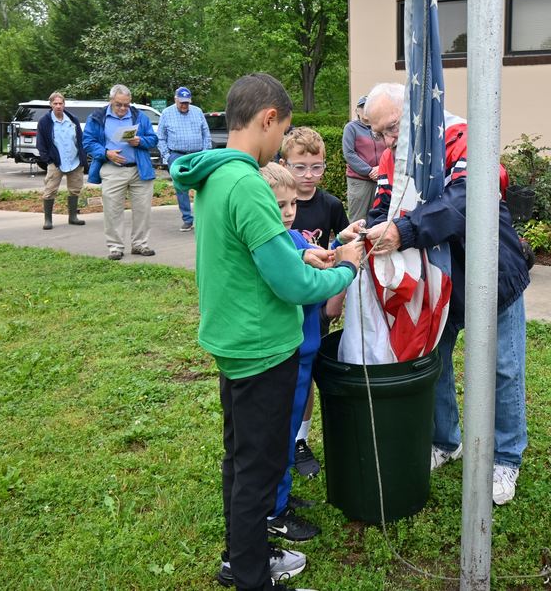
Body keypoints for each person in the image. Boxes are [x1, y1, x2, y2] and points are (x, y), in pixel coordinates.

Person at [170, 72, 362, 591]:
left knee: (240, 459)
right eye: (284, 132)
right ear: (268, 119)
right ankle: (254, 578)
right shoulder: (250, 184)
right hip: (263, 346)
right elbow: (293, 284)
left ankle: (242, 554)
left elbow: (255, 253)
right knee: (259, 468)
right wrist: (344, 266)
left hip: (231, 338)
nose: (280, 145)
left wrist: (301, 250)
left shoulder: (212, 174)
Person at [363, 82, 531, 505]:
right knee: (433, 362)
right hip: (432, 281)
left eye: (393, 128)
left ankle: (506, 457)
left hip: (490, 275)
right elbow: (384, 204)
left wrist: (403, 231)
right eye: (378, 132)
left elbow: (465, 200)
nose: (387, 140)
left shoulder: (464, 137)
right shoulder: (390, 158)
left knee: (503, 368)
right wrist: (368, 229)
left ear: (419, 111)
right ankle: (445, 440)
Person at [257, 162, 363, 546]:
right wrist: (348, 265)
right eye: (278, 205)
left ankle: (280, 496)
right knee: (278, 434)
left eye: (290, 206)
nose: (286, 213)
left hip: (302, 354)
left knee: (286, 433)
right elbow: (307, 284)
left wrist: (341, 243)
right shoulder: (274, 244)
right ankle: (272, 511)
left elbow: (318, 255)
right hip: (286, 355)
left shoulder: (291, 238)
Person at [278, 127, 350, 479]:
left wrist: (335, 300)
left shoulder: (331, 205)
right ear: (283, 165)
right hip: (285, 305)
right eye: (300, 167)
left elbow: (342, 250)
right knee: (286, 377)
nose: (308, 176)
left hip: (316, 307)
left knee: (307, 376)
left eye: (316, 167)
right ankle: (282, 439)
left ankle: (300, 440)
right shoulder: (273, 206)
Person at [82, 84, 158, 261]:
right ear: (111, 101)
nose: (123, 108)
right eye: (119, 104)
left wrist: (140, 141)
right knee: (112, 209)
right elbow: (88, 142)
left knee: (143, 209)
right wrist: (105, 153)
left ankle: (140, 244)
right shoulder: (97, 117)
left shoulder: (139, 116)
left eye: (126, 104)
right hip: (112, 169)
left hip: (139, 169)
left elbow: (153, 139)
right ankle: (115, 247)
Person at [157, 87, 211, 232]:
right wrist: (167, 157)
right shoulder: (167, 113)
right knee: (181, 187)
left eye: (186, 103)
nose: (184, 105)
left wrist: (206, 153)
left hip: (197, 154)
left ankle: (204, 217)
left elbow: (206, 133)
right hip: (177, 155)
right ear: (175, 99)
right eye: (181, 102)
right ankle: (187, 219)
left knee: (204, 185)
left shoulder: (197, 111)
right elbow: (161, 137)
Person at [36, 91, 87, 230]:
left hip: (74, 160)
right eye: (55, 103)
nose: (58, 106)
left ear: (64, 104)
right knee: (50, 190)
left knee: (75, 189)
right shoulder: (44, 121)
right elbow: (40, 144)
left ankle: (73, 217)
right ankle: (48, 220)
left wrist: (83, 156)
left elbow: (80, 139)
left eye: (61, 103)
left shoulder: (72, 119)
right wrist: (48, 160)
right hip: (56, 162)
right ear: (51, 105)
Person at [342, 95, 387, 223]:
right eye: (363, 107)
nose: (366, 110)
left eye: (369, 107)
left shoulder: (381, 127)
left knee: (378, 218)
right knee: (358, 220)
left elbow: (389, 150)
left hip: (381, 179)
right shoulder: (351, 128)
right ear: (357, 111)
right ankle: (355, 243)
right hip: (359, 180)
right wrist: (369, 171)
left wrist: (381, 169)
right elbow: (349, 154)